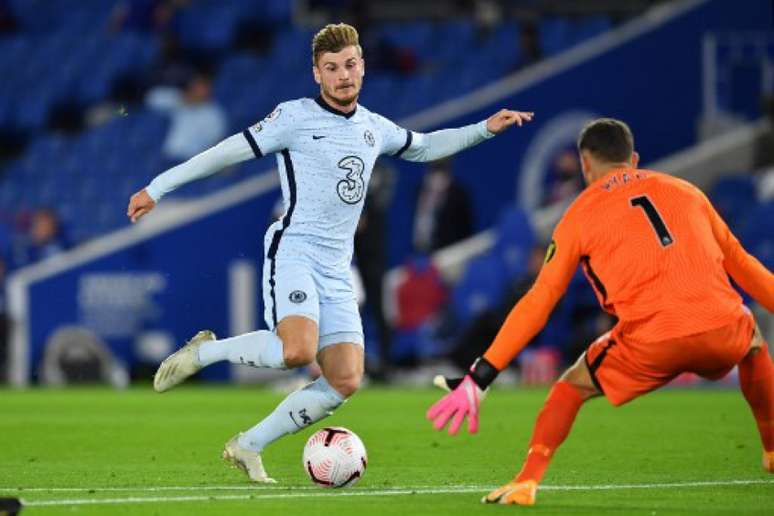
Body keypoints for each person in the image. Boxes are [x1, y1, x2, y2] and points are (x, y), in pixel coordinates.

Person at [127, 23, 534, 483]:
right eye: (332, 68)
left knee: (344, 380)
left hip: (338, 267)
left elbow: (424, 147)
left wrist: (485, 129)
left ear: (362, 66)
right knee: (296, 351)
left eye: (350, 65)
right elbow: (225, 153)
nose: (343, 76)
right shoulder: (293, 117)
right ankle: (206, 353)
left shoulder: (373, 128)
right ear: (317, 74)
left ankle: (248, 445)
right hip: (295, 250)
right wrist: (158, 187)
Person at [427, 118, 774, 506]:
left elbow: (540, 300)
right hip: (721, 328)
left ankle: (527, 481)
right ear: (634, 159)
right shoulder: (688, 191)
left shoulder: (578, 214)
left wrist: (482, 375)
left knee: (571, 385)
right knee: (755, 344)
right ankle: (772, 449)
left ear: (585, 164)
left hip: (651, 342)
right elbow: (744, 265)